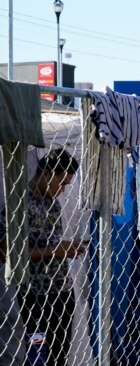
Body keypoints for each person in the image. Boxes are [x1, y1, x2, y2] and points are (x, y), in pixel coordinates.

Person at [0, 148, 87, 366]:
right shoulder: (18, 204)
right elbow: (4, 252)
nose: (64, 190)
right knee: (37, 357)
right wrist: (57, 251)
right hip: (35, 298)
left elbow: (51, 244)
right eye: (63, 182)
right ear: (47, 173)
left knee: (58, 358)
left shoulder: (53, 204)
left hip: (62, 294)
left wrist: (68, 248)